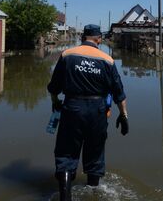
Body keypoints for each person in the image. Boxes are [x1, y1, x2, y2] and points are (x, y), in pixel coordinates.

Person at [47, 24, 128, 201]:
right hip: (97, 112)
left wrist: (56, 103)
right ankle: (93, 192)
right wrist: (124, 116)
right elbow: (119, 93)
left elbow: (54, 87)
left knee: (66, 155)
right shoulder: (108, 60)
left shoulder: (67, 55)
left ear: (83, 37)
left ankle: (65, 197)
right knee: (95, 153)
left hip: (72, 108)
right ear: (99, 39)